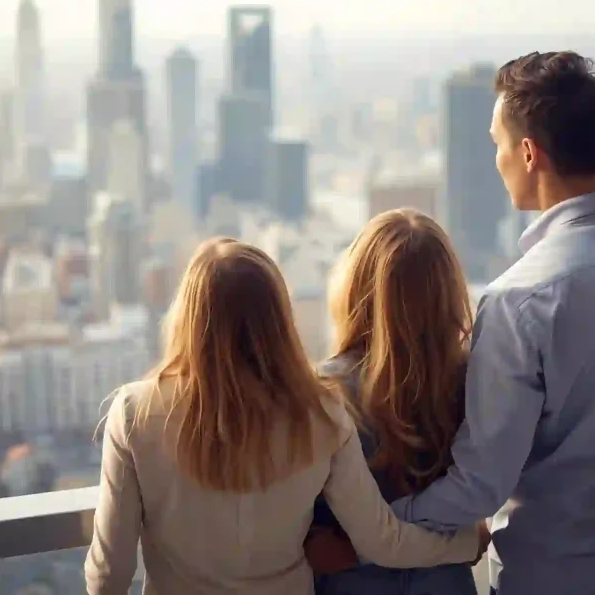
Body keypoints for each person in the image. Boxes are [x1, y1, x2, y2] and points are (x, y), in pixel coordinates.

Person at [308, 52, 595, 594]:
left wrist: (373, 528)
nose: (496, 159)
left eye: (497, 144)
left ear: (528, 153)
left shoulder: (520, 299)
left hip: (556, 578)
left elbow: (479, 486)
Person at [83, 237, 485, 595]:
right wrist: (466, 543)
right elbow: (381, 541)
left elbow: (109, 575)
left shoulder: (135, 414)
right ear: (278, 318)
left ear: (187, 317)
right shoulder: (322, 414)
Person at [309, 209, 480, 595]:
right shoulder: (478, 384)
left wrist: (353, 550)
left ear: (354, 287)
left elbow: (311, 543)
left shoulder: (321, 394)